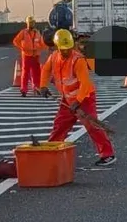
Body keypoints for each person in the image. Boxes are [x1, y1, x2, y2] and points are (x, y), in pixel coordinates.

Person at [41, 29, 116, 167]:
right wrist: (43, 86)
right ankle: (51, 150)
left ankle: (107, 154)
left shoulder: (78, 60)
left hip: (84, 98)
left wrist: (78, 101)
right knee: (60, 125)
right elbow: (46, 70)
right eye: (63, 49)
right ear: (57, 47)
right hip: (68, 99)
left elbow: (85, 84)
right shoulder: (54, 57)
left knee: (92, 126)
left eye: (68, 48)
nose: (66, 51)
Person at [12, 16, 48, 97]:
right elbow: (15, 41)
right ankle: (24, 90)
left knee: (37, 73)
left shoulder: (37, 33)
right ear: (27, 23)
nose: (31, 24)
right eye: (30, 23)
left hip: (36, 56)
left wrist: (45, 47)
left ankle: (36, 87)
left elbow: (41, 43)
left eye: (32, 23)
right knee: (25, 73)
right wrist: (23, 48)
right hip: (27, 56)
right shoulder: (23, 32)